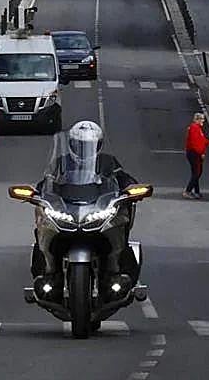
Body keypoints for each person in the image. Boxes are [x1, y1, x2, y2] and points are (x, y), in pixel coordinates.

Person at [36, 122, 138, 291]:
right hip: (68, 209)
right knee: (43, 221)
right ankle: (48, 271)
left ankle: (117, 269)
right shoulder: (62, 162)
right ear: (71, 144)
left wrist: (131, 186)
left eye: (89, 145)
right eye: (80, 144)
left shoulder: (108, 161)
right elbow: (48, 181)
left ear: (98, 144)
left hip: (97, 208)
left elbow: (122, 177)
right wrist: (38, 192)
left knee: (120, 221)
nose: (84, 149)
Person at [184, 113, 209, 199]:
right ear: (197, 119)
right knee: (197, 173)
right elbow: (196, 143)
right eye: (202, 119)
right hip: (194, 153)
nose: (203, 121)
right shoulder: (194, 128)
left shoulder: (197, 128)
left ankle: (196, 191)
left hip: (194, 153)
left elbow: (202, 140)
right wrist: (201, 153)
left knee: (196, 172)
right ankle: (188, 191)